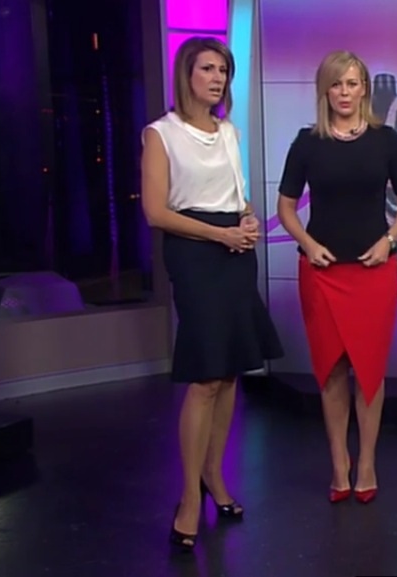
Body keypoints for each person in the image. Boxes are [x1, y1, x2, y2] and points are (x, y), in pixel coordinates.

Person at [140, 36, 284, 551]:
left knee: (227, 374)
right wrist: (219, 235)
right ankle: (187, 497)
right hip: (195, 253)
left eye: (223, 70)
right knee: (205, 377)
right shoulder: (161, 133)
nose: (218, 78)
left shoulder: (229, 132)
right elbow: (156, 212)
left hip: (234, 253)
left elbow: (237, 196)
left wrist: (246, 221)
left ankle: (214, 477)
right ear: (187, 74)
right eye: (208, 68)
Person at [276, 50, 397, 505]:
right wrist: (307, 242)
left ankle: (368, 464)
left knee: (369, 371)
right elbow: (285, 208)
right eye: (336, 84)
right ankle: (339, 465)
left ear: (364, 89)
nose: (344, 92)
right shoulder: (307, 143)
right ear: (325, 90)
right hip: (321, 272)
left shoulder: (386, 141)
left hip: (374, 272)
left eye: (352, 83)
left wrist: (389, 240)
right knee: (332, 370)